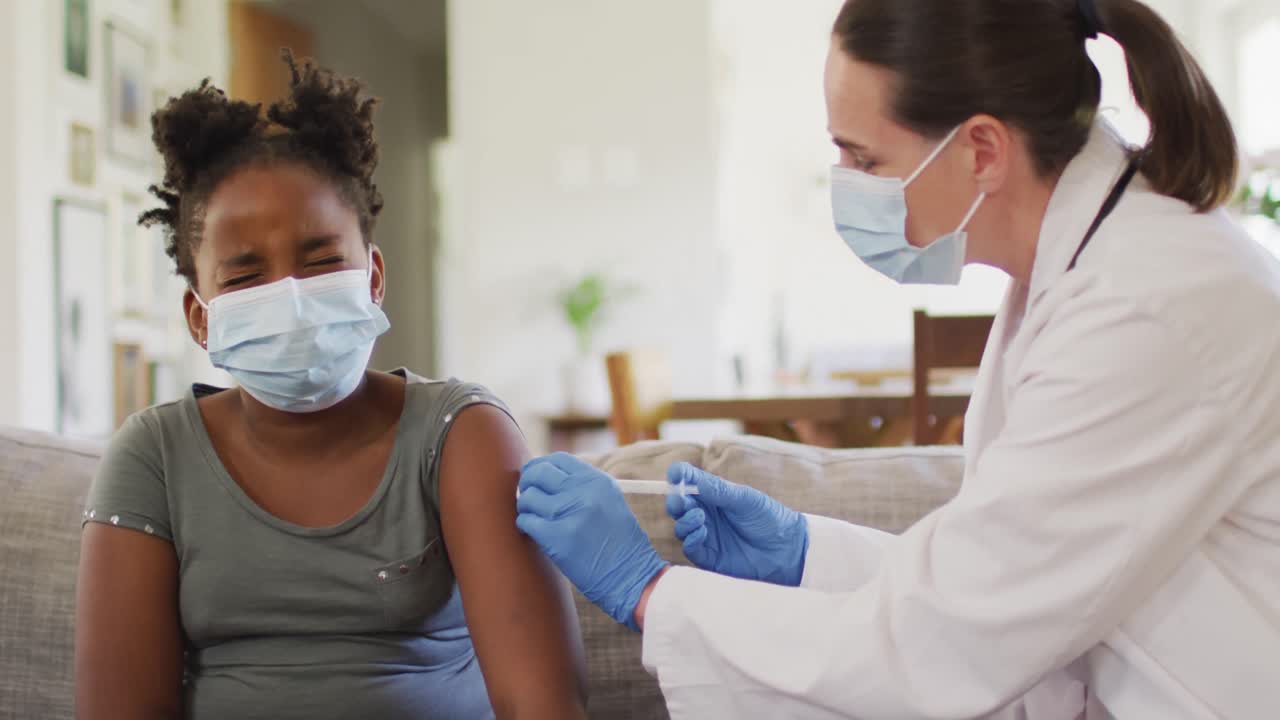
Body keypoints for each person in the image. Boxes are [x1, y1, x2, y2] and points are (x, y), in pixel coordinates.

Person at [515, 0, 1280, 717]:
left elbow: (949, 639)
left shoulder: (1144, 304)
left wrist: (651, 593)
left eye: (865, 159)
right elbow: (1008, 579)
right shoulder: (1084, 268)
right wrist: (809, 555)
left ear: (981, 148)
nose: (847, 188)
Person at [75, 52, 587, 720]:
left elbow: (543, 705)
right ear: (200, 316)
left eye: (320, 263)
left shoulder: (460, 434)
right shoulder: (154, 456)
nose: (290, 298)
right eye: (244, 277)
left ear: (372, 277)